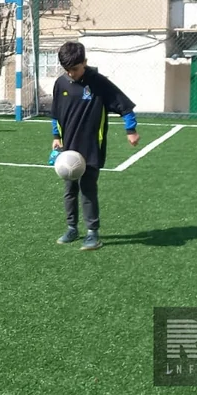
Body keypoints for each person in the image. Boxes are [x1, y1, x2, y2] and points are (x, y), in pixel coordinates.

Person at [50, 40, 139, 251]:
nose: (71, 73)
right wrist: (56, 136)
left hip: (91, 146)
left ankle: (92, 233)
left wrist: (131, 130)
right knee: (69, 189)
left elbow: (125, 106)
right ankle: (72, 228)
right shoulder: (60, 83)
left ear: (85, 62)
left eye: (75, 69)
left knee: (88, 189)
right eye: (67, 69)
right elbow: (56, 113)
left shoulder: (98, 82)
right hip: (68, 149)